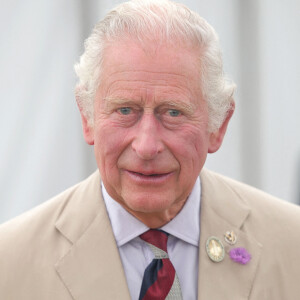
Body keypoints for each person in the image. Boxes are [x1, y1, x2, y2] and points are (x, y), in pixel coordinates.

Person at [1, 0, 300, 299]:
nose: (146, 146)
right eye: (125, 110)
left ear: (218, 126)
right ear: (87, 117)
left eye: (173, 113)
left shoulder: (291, 244)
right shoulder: (10, 263)